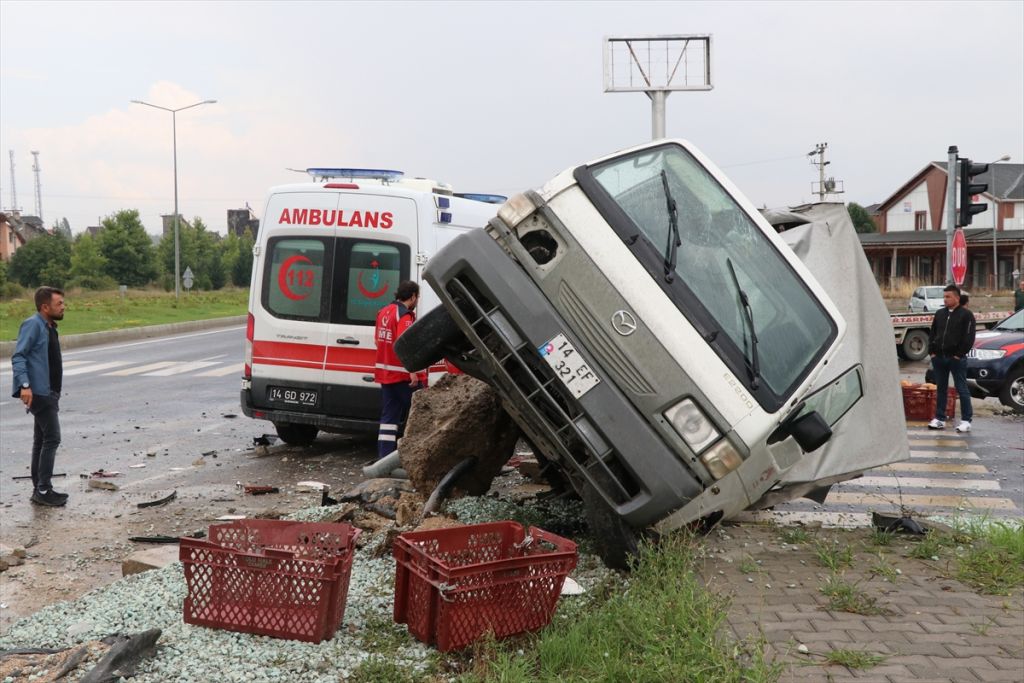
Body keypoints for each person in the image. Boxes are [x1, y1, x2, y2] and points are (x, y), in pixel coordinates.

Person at [11, 286, 68, 506]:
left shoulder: (49, 326)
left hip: (49, 392)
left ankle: (40, 488)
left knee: (41, 440)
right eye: (59, 304)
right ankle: (44, 489)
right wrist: (25, 385)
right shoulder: (33, 324)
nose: (63, 307)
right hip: (40, 392)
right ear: (45, 307)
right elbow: (19, 357)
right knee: (52, 437)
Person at [373, 280, 426, 459]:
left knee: (389, 419)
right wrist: (413, 372)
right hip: (402, 376)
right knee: (422, 414)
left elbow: (377, 341)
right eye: (417, 297)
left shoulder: (383, 312)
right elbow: (405, 344)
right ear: (412, 297)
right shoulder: (404, 315)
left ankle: (384, 457)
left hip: (385, 374)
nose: (417, 300)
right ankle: (418, 457)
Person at [926, 284, 975, 432]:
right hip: (939, 357)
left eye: (948, 296)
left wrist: (958, 355)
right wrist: (932, 352)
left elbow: (969, 337)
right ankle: (940, 418)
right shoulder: (940, 313)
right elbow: (933, 333)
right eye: (944, 296)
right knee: (941, 388)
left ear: (957, 298)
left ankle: (966, 420)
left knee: (962, 388)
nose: (945, 299)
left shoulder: (966, 315)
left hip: (956, 359)